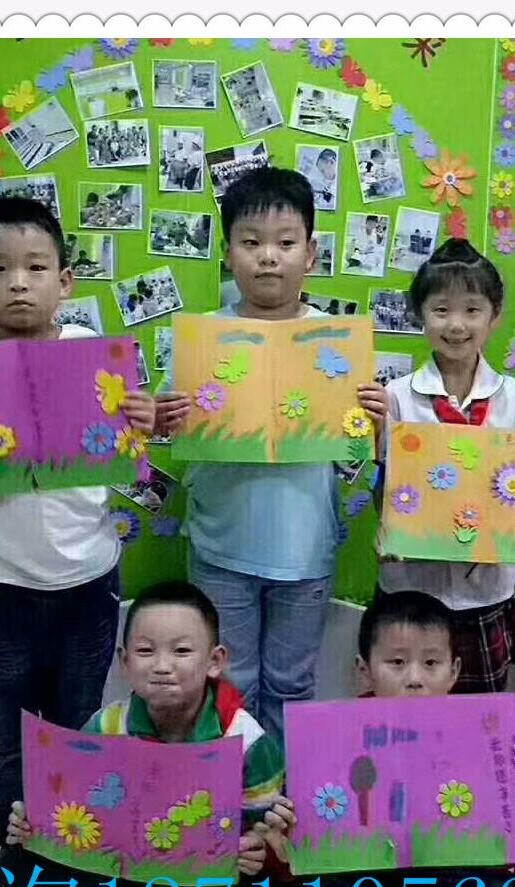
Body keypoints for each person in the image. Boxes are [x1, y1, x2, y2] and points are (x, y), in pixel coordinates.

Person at [0, 198, 155, 887]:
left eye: (36, 267)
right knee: (4, 732)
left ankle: (72, 846)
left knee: (77, 723)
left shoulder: (92, 352)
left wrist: (142, 417)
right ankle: (15, 847)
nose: (18, 282)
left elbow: (131, 444)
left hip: (87, 580)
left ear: (65, 281)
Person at [154, 168, 390, 749]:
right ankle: (233, 793)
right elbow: (164, 434)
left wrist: (375, 423)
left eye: (285, 242)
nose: (268, 257)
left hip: (306, 551)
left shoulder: (335, 342)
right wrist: (161, 419)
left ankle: (280, 796)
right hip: (220, 547)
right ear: (227, 252)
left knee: (290, 685)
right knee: (227, 686)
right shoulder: (203, 340)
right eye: (250, 241)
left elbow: (356, 450)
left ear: (310, 254)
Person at [1, 581, 295, 887]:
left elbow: (268, 833)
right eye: (145, 651)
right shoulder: (105, 727)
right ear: (125, 663)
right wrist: (31, 826)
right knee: (20, 867)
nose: (162, 666)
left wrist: (257, 848)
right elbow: (70, 817)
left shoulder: (248, 740)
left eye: (181, 651)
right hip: (127, 884)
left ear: (215, 661)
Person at [289, 590, 515, 887]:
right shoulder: (333, 736)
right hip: (369, 885)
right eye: (397, 663)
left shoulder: (483, 733)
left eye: (431, 663)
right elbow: (308, 842)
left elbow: (506, 849)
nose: (415, 679)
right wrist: (289, 825)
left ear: (454, 671)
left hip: (451, 883)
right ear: (364, 670)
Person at [378, 239, 515, 692]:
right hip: (411, 586)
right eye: (441, 310)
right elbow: (385, 483)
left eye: (472, 310)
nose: (456, 324)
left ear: (494, 315)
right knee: (406, 710)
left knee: (477, 713)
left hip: (485, 590)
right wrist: (388, 528)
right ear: (419, 314)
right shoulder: (396, 398)